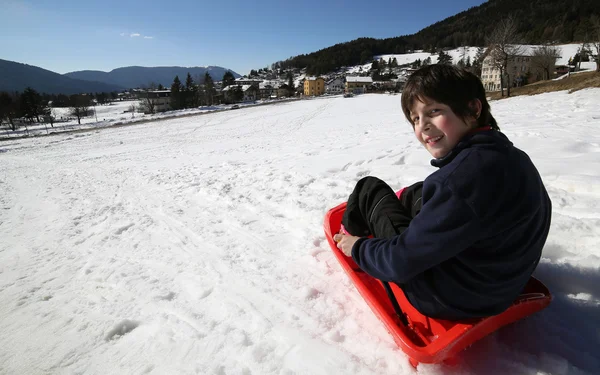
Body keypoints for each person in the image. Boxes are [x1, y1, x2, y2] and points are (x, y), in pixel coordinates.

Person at [333, 64, 552, 320]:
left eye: (434, 112)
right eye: (415, 118)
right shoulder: (512, 157)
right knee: (421, 191)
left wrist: (358, 248)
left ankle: (349, 236)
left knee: (370, 189)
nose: (423, 126)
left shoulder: (457, 182)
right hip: (501, 283)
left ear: (473, 109)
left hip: (450, 298)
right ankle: (401, 215)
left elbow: (401, 261)